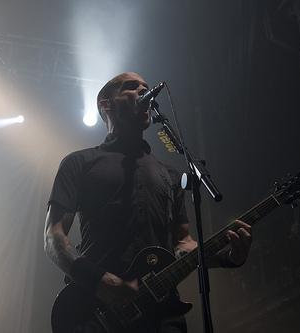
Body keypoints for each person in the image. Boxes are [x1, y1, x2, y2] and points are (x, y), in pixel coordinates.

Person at [44, 72, 252, 332]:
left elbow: (182, 244)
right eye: (131, 87)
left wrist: (227, 256)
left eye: (146, 87)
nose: (144, 91)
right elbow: (54, 236)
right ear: (106, 104)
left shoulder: (171, 175)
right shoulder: (79, 163)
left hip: (162, 312)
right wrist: (100, 281)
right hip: (94, 312)